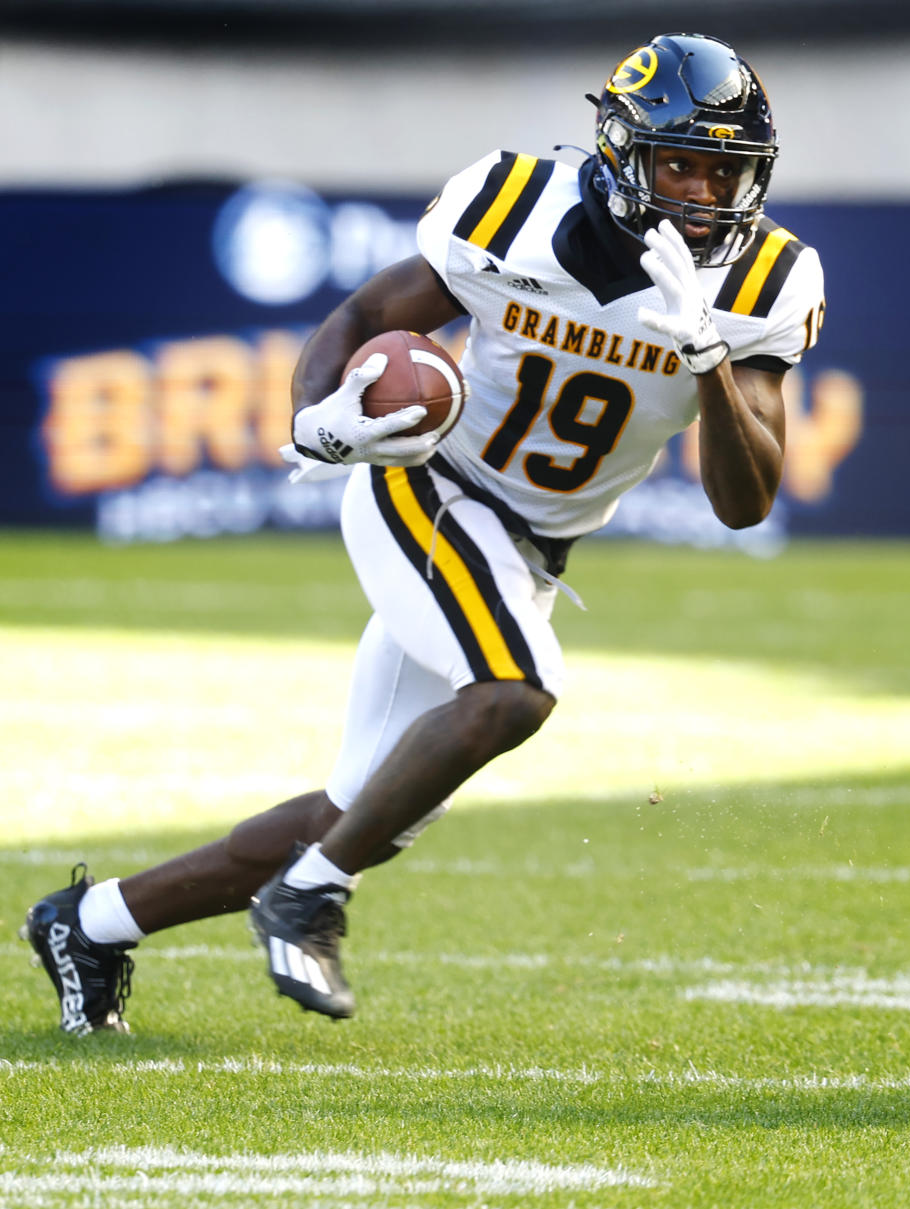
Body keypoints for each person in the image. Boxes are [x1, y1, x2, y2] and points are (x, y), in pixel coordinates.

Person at [22, 32, 825, 1034]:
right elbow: (365, 312)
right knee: (513, 693)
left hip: (530, 553)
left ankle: (92, 924)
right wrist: (312, 416)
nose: (706, 192)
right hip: (433, 490)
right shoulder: (516, 209)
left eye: (727, 169)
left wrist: (707, 352)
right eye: (682, 163)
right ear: (622, 156)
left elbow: (744, 501)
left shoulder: (764, 284)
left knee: (359, 815)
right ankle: (310, 899)